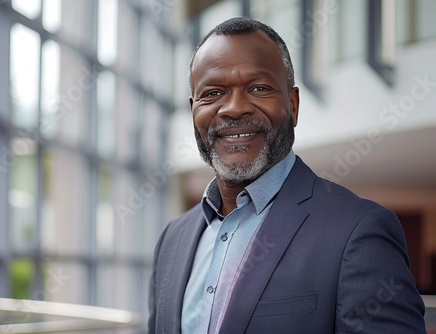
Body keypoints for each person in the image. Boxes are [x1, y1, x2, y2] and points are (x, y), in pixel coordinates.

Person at [148, 17, 426, 334]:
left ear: (292, 105)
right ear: (193, 110)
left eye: (258, 88)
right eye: (212, 93)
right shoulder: (173, 238)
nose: (234, 108)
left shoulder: (358, 233)